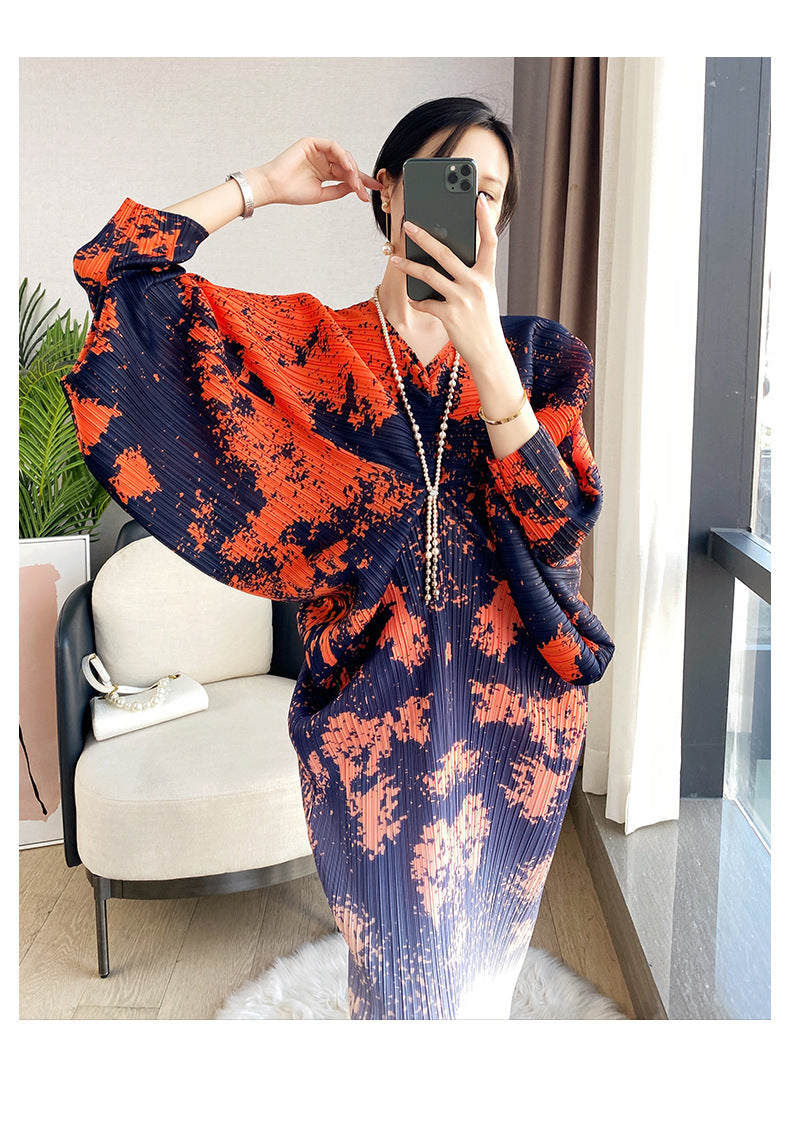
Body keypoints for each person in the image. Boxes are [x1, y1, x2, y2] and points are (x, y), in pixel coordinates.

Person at [64, 96, 614, 1020]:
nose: (473, 208)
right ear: (390, 192)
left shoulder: (538, 357)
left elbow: (559, 530)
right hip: (367, 728)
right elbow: (117, 270)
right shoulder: (312, 354)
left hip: (519, 723)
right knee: (393, 987)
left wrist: (489, 361)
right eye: (452, 180)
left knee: (480, 990)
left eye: (492, 194)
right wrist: (259, 187)